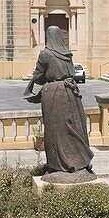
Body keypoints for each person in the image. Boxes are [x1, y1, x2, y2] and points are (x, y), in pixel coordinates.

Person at [24, 26, 95, 180]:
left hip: (54, 94)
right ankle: (80, 161)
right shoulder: (67, 54)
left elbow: (38, 77)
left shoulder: (45, 54)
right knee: (74, 125)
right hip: (70, 92)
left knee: (55, 129)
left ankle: (58, 164)